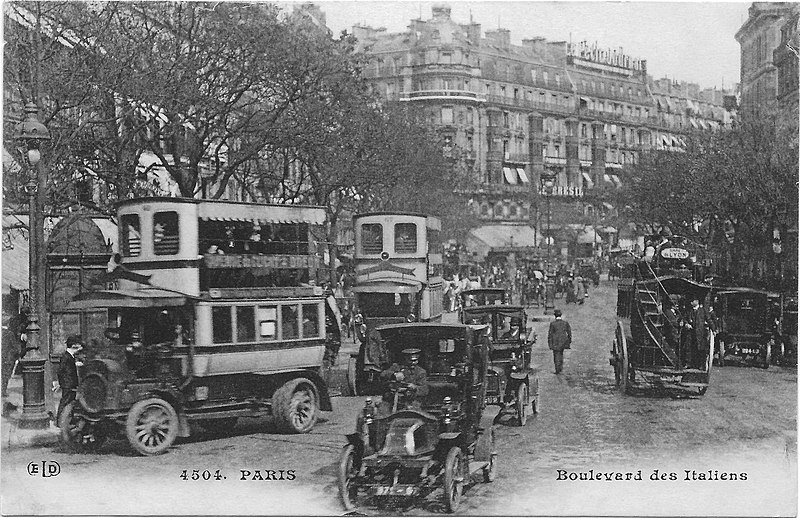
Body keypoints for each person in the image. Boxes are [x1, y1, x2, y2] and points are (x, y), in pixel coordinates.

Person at [56, 335, 83, 424]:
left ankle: (67, 421)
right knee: (65, 402)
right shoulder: (66, 357)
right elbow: (60, 371)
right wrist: (63, 383)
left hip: (70, 384)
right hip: (68, 384)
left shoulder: (70, 356)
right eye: (78, 345)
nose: (80, 347)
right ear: (73, 346)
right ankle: (60, 421)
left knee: (69, 402)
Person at [684, 296, 714, 368]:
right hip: (691, 333)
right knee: (690, 348)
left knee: (701, 349)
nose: (691, 302)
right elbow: (684, 318)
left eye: (693, 301)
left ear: (697, 301)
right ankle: (689, 364)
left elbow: (709, 320)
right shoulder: (689, 311)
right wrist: (686, 324)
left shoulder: (703, 310)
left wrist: (714, 329)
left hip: (700, 333)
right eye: (691, 301)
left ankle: (701, 365)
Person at [548, 309, 572, 374]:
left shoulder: (553, 324)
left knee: (556, 355)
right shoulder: (565, 323)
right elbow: (569, 332)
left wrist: (550, 344)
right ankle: (560, 367)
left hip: (555, 342)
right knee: (561, 354)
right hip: (563, 341)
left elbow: (550, 334)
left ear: (555, 316)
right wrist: (569, 341)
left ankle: (557, 369)